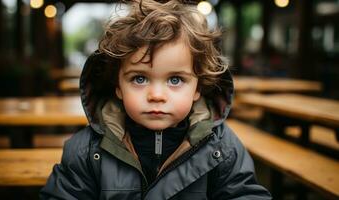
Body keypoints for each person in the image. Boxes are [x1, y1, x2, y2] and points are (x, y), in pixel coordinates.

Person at [40, 0, 271, 199]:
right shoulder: (86, 150)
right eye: (139, 79)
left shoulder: (222, 147)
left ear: (197, 87)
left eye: (175, 80)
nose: (157, 96)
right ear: (118, 87)